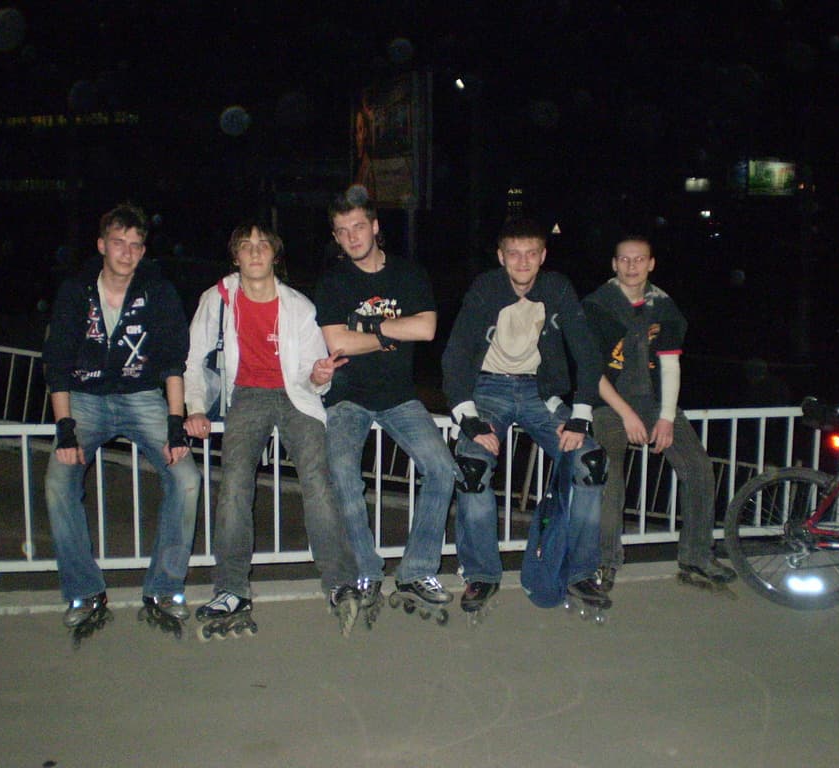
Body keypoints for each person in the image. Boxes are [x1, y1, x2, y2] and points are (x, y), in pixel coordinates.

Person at [183, 223, 361, 637]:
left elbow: (314, 376)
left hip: (294, 394)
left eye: (263, 245)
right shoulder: (218, 299)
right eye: (246, 246)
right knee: (234, 483)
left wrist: (319, 376)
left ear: (274, 255)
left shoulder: (298, 306)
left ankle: (339, 582)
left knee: (318, 480)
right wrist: (195, 408)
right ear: (236, 257)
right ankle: (231, 589)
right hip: (246, 394)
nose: (255, 252)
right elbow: (193, 358)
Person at [43, 203, 200, 631]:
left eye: (135, 245)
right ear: (102, 245)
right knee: (58, 482)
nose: (126, 252)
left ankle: (164, 587)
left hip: (141, 396)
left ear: (143, 250)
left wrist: (175, 425)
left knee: (187, 479)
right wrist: (65, 429)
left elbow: (173, 361)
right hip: (84, 398)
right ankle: (85, 590)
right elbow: (57, 362)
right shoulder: (76, 291)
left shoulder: (158, 292)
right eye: (118, 243)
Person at [442, 217, 609, 619]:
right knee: (472, 467)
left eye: (531, 253)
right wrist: (468, 419)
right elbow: (456, 354)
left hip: (540, 392)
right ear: (501, 257)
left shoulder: (557, 289)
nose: (522, 261)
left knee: (590, 461)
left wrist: (580, 415)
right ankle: (481, 573)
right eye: (513, 253)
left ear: (543, 256)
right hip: (488, 389)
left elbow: (587, 353)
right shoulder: (486, 289)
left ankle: (581, 572)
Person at [312, 185, 457, 624]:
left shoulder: (408, 275)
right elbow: (336, 343)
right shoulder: (333, 282)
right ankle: (366, 570)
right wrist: (390, 332)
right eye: (342, 231)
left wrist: (366, 334)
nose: (352, 237)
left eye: (358, 227)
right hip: (347, 397)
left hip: (399, 396)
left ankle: (415, 571)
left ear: (375, 227)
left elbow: (427, 329)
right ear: (335, 237)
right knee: (342, 473)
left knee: (442, 469)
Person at [583, 235, 735, 594]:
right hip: (609, 403)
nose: (631, 266)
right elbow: (592, 373)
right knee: (609, 473)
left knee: (698, 466)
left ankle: (697, 556)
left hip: (653, 401)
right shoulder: (595, 307)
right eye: (624, 259)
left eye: (639, 259)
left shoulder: (664, 307)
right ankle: (605, 561)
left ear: (651, 264)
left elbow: (669, 365)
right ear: (614, 264)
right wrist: (627, 415)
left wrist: (666, 417)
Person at [353, 106, 377, 201]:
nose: (358, 138)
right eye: (356, 131)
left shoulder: (369, 169)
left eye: (360, 129)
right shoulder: (360, 167)